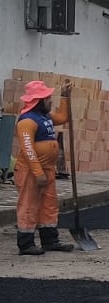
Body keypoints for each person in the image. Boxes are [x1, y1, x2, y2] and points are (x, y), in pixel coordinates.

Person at [13, 80, 75, 255]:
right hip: (31, 172)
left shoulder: (45, 117)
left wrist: (65, 96)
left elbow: (64, 117)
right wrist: (37, 172)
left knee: (49, 205)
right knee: (29, 205)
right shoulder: (26, 121)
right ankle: (25, 244)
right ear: (38, 101)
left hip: (47, 170)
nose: (50, 101)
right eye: (48, 98)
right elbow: (27, 149)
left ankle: (50, 240)